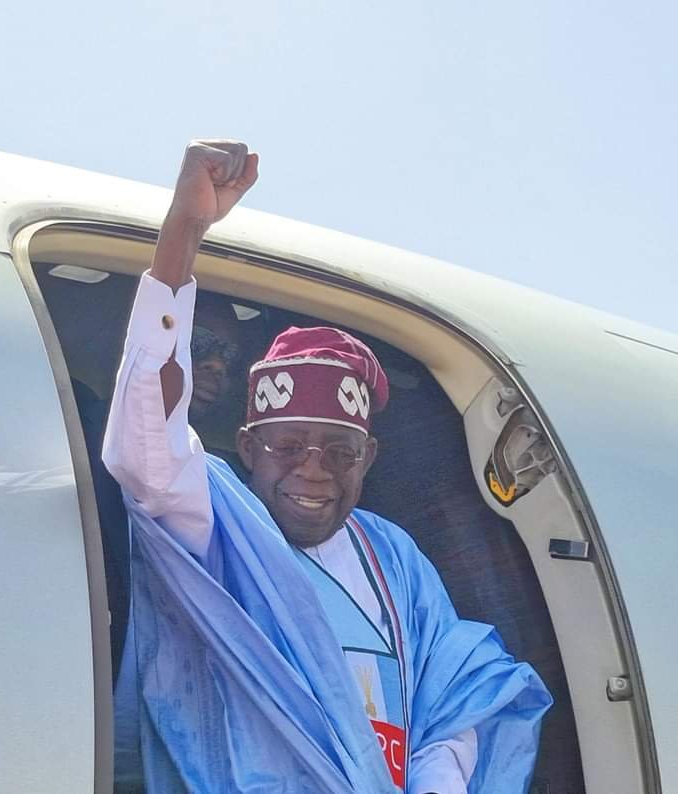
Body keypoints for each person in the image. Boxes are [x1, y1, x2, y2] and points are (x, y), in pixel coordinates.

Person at [103, 140, 552, 793]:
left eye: (339, 452)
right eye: (288, 447)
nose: (314, 471)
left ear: (367, 459)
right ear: (250, 446)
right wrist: (184, 230)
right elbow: (147, 436)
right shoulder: (219, 521)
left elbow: (454, 697)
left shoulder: (391, 556)